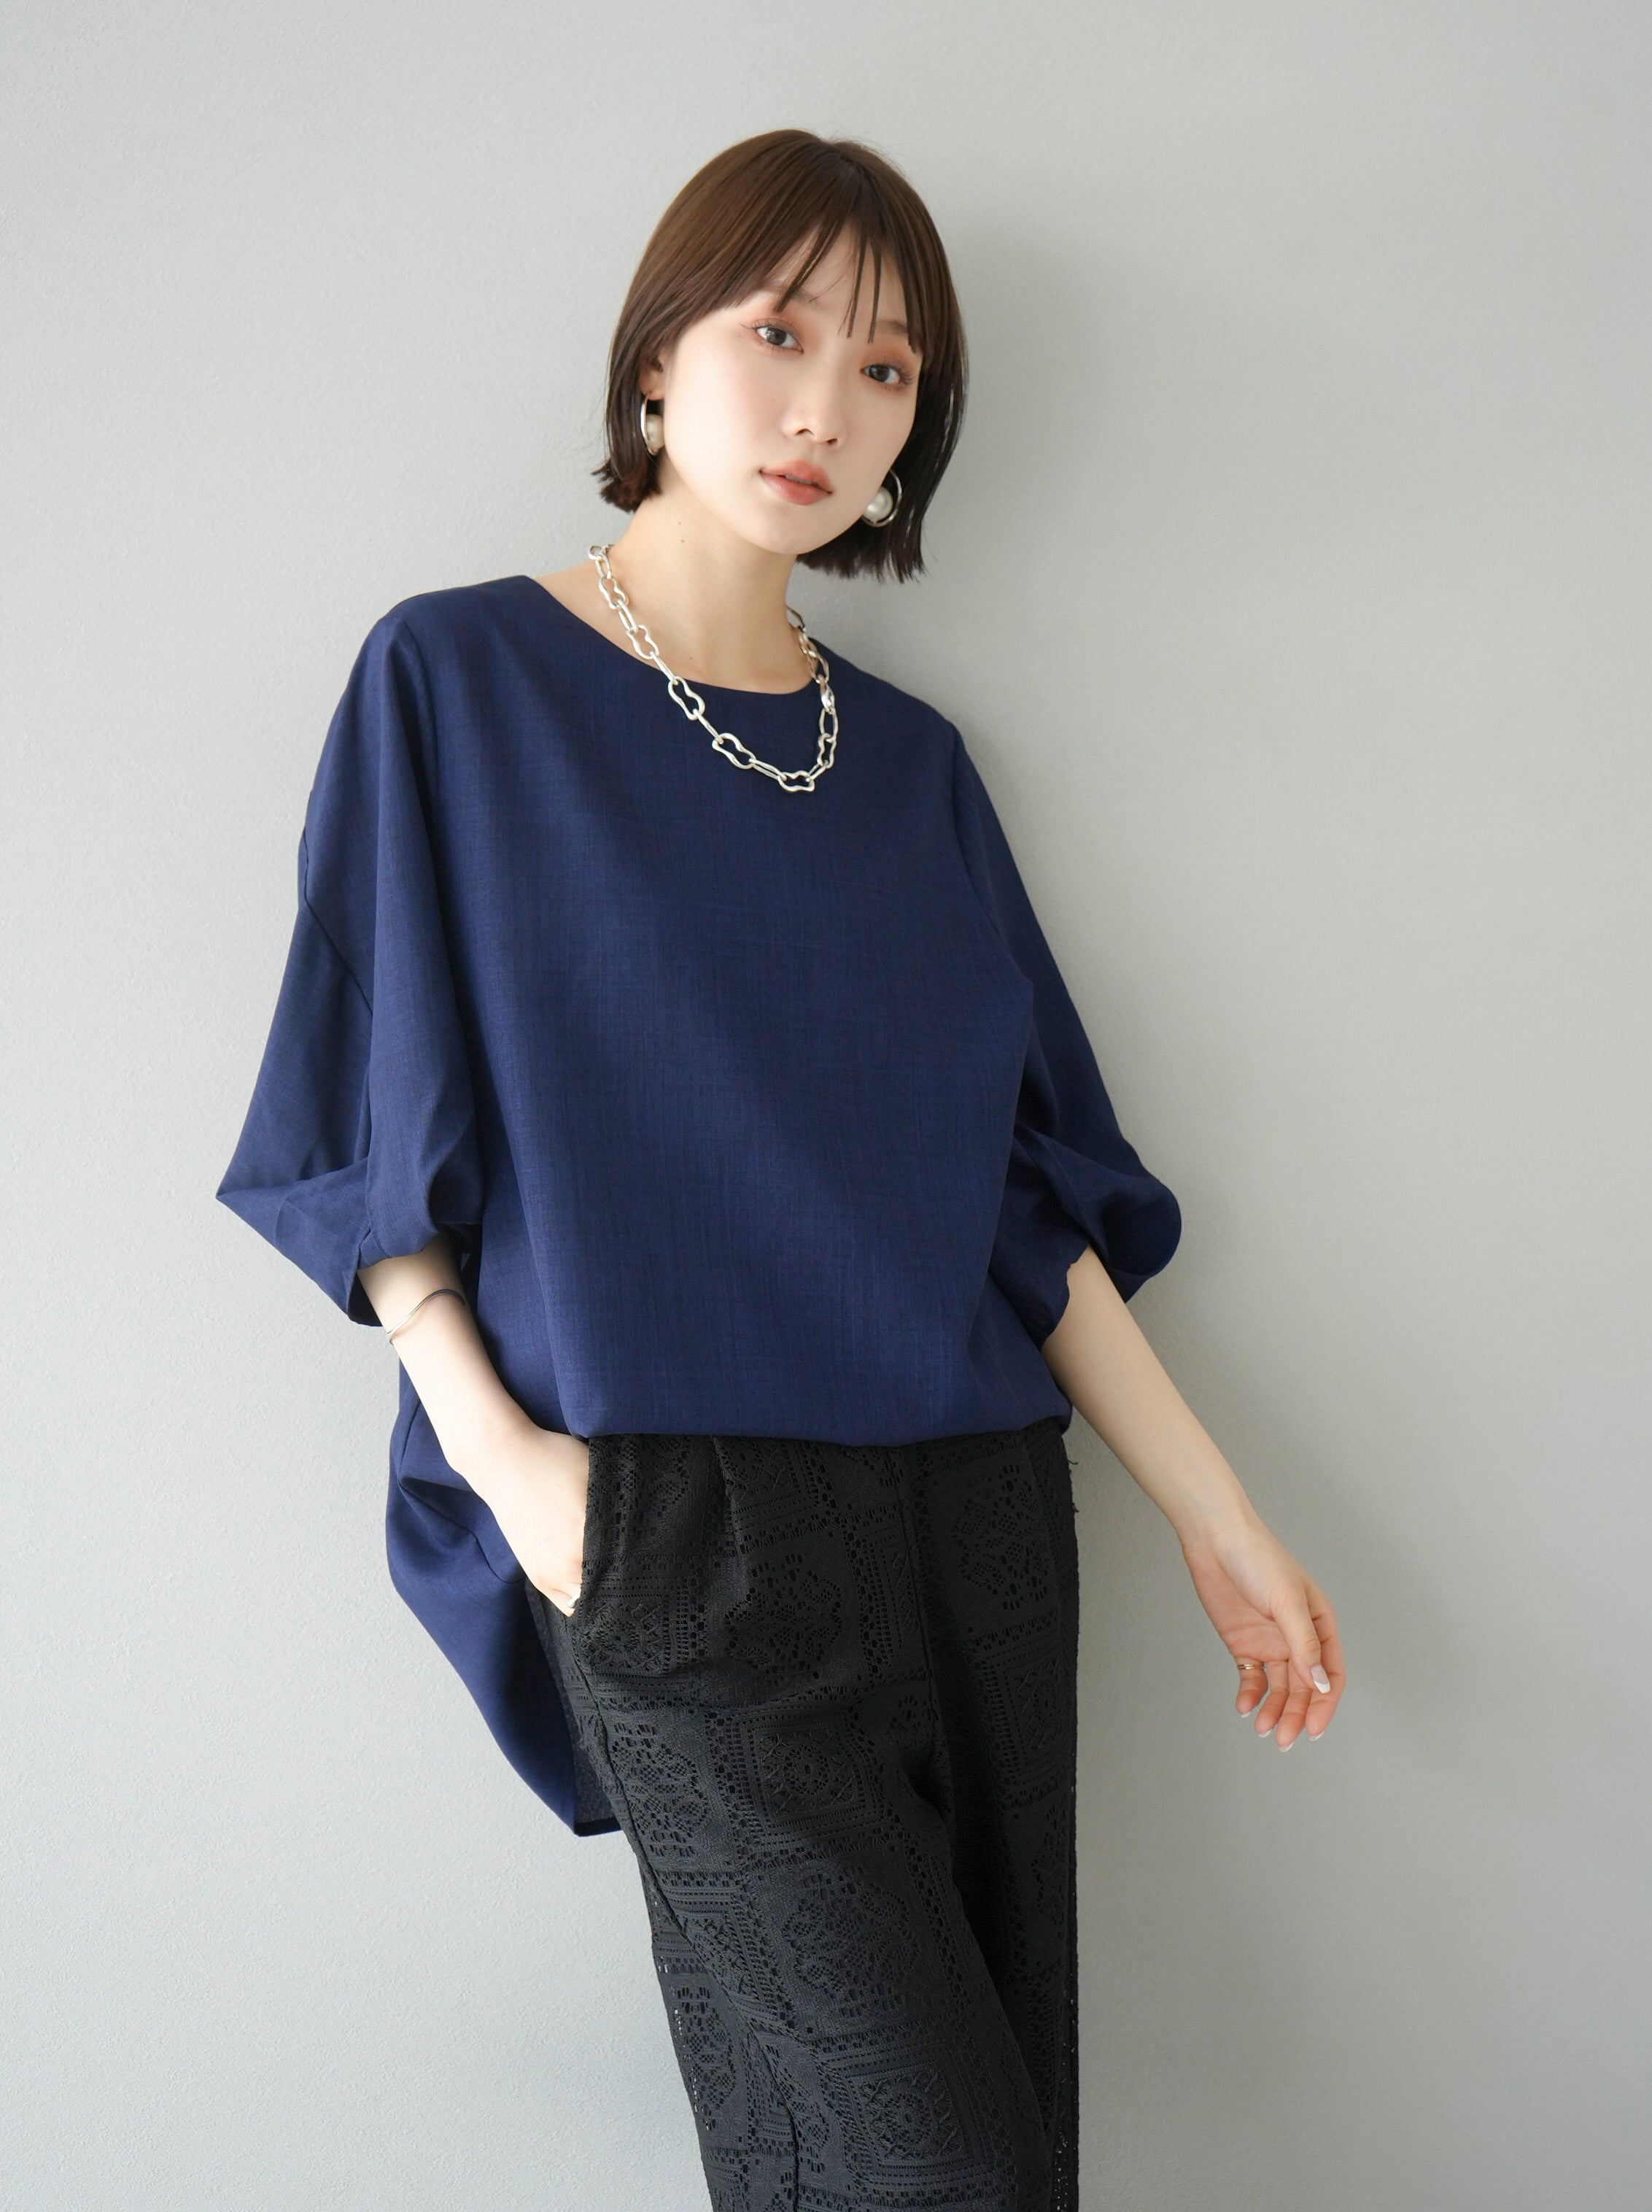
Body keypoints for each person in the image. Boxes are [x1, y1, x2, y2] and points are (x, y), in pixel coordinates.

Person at [216, 128, 1345, 2212]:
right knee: (938, 2174)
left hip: (977, 1523)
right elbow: (367, 1141)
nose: (829, 406)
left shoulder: (912, 770)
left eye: (890, 369)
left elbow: (1021, 1206)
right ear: (658, 362)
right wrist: (519, 1476)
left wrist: (1222, 1519)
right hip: (673, 1531)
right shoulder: (457, 680)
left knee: (939, 2162)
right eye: (781, 333)